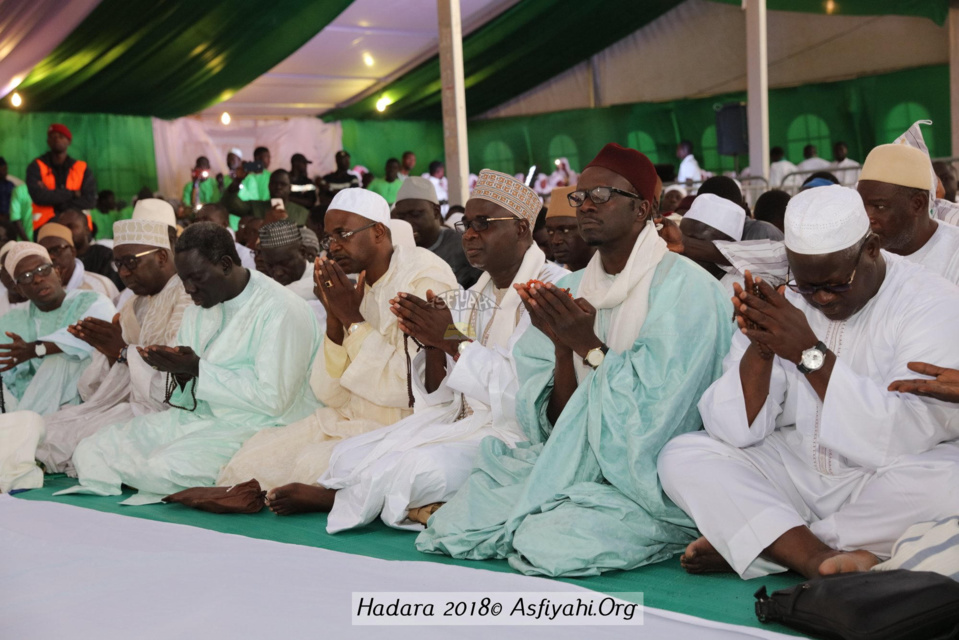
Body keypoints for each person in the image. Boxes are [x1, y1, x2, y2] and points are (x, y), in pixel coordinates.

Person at [416, 144, 733, 577]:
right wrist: (564, 351)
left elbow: (659, 417)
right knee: (454, 526)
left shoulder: (688, 291)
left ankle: (679, 524)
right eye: (580, 196)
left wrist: (590, 346)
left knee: (548, 543)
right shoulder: (573, 286)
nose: (584, 206)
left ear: (641, 209)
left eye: (601, 196)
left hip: (645, 474)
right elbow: (549, 422)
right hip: (565, 456)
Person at [658, 185, 959, 580]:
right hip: (799, 468)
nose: (820, 300)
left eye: (835, 285)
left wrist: (808, 354)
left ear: (871, 248)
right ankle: (814, 554)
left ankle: (777, 543)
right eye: (807, 285)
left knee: (949, 483)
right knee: (682, 455)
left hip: (886, 481)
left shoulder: (931, 302)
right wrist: (762, 349)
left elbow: (899, 437)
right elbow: (732, 430)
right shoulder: (788, 299)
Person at [265, 170, 568, 527]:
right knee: (349, 455)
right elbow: (441, 394)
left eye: (483, 223)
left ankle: (341, 498)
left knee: (420, 470)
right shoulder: (474, 297)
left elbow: (528, 396)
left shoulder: (551, 290)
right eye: (466, 224)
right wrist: (434, 345)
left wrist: (452, 341)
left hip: (518, 437)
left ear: (521, 229)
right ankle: (381, 499)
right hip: (461, 422)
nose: (469, 234)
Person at [59, 222, 321, 504]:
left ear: (224, 264)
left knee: (163, 468)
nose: (188, 289)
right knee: (91, 448)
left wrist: (197, 370)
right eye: (183, 279)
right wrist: (176, 371)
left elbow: (274, 400)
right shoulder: (200, 306)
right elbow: (184, 401)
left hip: (258, 428)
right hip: (198, 420)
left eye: (196, 277)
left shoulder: (281, 309)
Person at [216, 189, 458, 491]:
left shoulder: (422, 276)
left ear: (379, 232)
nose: (333, 247)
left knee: (309, 466)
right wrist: (335, 318)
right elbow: (331, 393)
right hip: (349, 417)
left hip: (404, 424)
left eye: (343, 234)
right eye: (329, 238)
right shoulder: (359, 283)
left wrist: (352, 321)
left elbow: (414, 387)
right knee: (251, 458)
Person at [36, 199, 191, 475]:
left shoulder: (189, 296)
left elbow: (179, 388)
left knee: (88, 446)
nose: (123, 273)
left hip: (172, 414)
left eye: (130, 262)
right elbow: (95, 390)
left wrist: (122, 352)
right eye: (118, 264)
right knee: (47, 428)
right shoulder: (133, 305)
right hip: (131, 406)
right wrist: (108, 353)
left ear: (163, 255)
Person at [0, 242, 115, 415]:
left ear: (58, 273)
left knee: (63, 359)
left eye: (42, 269)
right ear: (19, 290)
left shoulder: (93, 301)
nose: (37, 279)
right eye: (26, 276)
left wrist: (35, 349)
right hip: (20, 405)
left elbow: (91, 336)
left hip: (84, 402)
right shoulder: (10, 321)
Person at [858, 143, 959, 285]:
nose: (867, 217)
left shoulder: (954, 255)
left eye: (879, 206)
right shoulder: (856, 251)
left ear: (918, 204)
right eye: (862, 205)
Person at [392, 176, 480, 288]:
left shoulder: (462, 246)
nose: (408, 223)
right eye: (401, 217)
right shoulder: (397, 250)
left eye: (415, 215)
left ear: (436, 212)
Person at [26, 124, 97, 230]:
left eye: (61, 136)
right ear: (48, 141)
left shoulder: (82, 168)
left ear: (69, 141)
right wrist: (73, 193)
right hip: (45, 227)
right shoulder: (36, 166)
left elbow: (90, 200)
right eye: (53, 137)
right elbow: (38, 196)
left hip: (78, 227)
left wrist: (54, 199)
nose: (57, 139)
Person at [256, 220, 325, 324]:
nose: (278, 272)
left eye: (285, 263)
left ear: (302, 252)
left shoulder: (319, 277)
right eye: (270, 265)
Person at [679, 193, 746, 292]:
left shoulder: (738, 290)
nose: (680, 249)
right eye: (680, 236)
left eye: (693, 241)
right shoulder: (675, 273)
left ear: (727, 246)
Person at [37, 221, 119, 301]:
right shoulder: (39, 291)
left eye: (56, 250)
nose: (51, 257)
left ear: (73, 251)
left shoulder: (99, 286)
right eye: (44, 252)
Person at [57, 208, 124, 291]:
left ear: (87, 229)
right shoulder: (57, 260)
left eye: (71, 227)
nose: (66, 232)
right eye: (62, 228)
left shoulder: (104, 255)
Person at [221, 167, 308, 226]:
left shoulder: (303, 213)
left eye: (283, 184)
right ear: (269, 186)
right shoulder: (255, 207)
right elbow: (228, 204)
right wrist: (237, 180)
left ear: (289, 188)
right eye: (274, 183)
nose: (278, 187)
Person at [545, 186, 595, 271]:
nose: (555, 241)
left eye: (565, 230)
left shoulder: (616, 273)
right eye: (550, 232)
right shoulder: (552, 278)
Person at [194, 203, 256, 270]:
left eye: (206, 220)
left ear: (224, 224)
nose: (199, 224)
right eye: (197, 220)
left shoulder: (246, 255)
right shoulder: (192, 252)